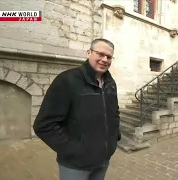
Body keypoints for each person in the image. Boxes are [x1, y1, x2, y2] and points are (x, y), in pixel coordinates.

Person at [33, 38, 121, 180]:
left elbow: (114, 112)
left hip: (103, 161)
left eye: (109, 57)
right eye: (100, 54)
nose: (105, 59)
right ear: (89, 53)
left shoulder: (110, 83)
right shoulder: (67, 80)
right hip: (75, 165)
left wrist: (114, 138)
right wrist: (75, 151)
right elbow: (44, 125)